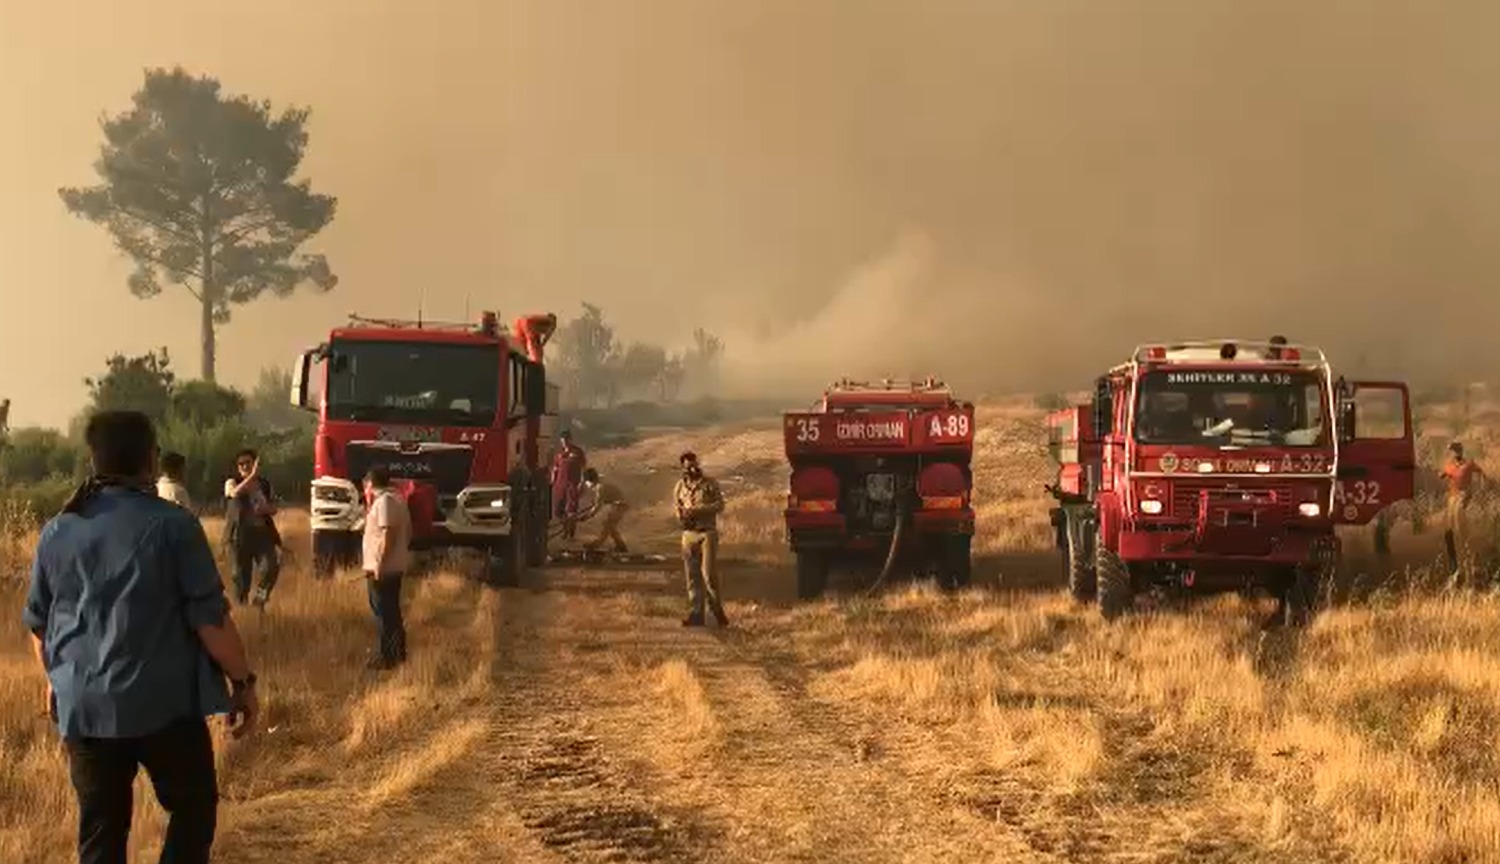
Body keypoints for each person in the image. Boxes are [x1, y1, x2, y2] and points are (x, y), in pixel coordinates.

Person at [23, 410, 258, 864]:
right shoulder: (174, 526)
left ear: (94, 461)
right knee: (193, 809)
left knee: (101, 833)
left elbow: (40, 623)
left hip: (87, 709)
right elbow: (210, 621)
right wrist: (243, 682)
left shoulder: (58, 530)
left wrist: (56, 679)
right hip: (164, 707)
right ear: (150, 458)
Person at [362, 466, 413, 670]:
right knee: (391, 612)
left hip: (384, 568)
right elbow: (407, 533)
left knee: (383, 613)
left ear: (371, 483)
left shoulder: (384, 503)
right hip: (392, 566)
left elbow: (387, 536)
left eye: (366, 485)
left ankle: (387, 657)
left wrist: (379, 565)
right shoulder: (398, 500)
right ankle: (397, 654)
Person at [673, 451, 728, 627]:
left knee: (709, 574)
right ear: (683, 467)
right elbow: (676, 506)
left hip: (707, 533)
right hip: (688, 534)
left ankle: (717, 611)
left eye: (694, 464)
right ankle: (696, 614)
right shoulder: (680, 486)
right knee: (692, 576)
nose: (692, 468)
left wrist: (698, 510)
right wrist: (681, 515)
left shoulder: (710, 484)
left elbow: (720, 505)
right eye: (688, 466)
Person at [223, 448, 282, 607]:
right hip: (239, 536)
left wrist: (266, 509)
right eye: (240, 464)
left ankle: (259, 602)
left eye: (248, 463)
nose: (244, 466)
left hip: (262, 534)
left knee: (271, 568)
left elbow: (274, 507)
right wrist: (251, 477)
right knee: (241, 578)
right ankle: (242, 611)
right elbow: (234, 493)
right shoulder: (232, 482)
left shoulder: (265, 484)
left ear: (254, 463)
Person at [1441, 441, 1486, 574]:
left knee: (1461, 532)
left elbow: (1482, 474)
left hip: (1462, 498)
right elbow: (1442, 475)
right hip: (1452, 499)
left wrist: (1480, 490)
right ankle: (1455, 565)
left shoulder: (1468, 465)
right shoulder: (1450, 466)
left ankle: (1470, 563)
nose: (1454, 454)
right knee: (1449, 532)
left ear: (1460, 452)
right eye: (1452, 451)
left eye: (1455, 451)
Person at [579, 468, 630, 555]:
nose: (586, 485)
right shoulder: (601, 484)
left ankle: (596, 545)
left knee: (607, 526)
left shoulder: (600, 488)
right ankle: (621, 546)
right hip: (620, 504)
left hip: (619, 505)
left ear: (590, 480)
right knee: (610, 527)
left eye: (586, 482)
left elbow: (597, 506)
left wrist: (586, 517)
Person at [550, 430, 587, 540]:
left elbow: (584, 468)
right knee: (558, 511)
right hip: (560, 485)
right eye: (563, 441)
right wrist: (552, 481)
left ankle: (571, 533)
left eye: (566, 440)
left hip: (573, 484)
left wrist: (582, 482)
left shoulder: (578, 452)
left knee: (571, 510)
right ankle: (565, 528)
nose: (565, 442)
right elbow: (555, 469)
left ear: (570, 439)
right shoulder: (559, 454)